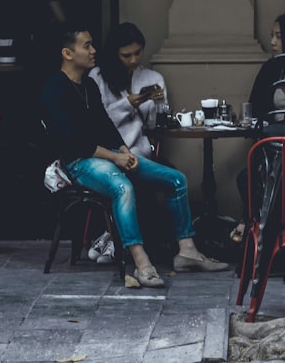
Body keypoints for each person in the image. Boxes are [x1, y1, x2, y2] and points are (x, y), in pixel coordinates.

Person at [41, 26, 228, 287]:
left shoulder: (89, 85)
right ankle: (142, 264)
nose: (93, 50)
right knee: (123, 187)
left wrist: (124, 150)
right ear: (67, 54)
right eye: (87, 46)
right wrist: (115, 157)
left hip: (107, 155)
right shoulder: (54, 90)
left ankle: (187, 252)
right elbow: (74, 142)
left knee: (175, 179)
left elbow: (104, 124)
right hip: (78, 163)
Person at [86, 22, 168, 263]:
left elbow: (155, 127)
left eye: (138, 53)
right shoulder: (97, 77)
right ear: (114, 53)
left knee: (170, 177)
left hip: (139, 151)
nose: (133, 59)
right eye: (126, 55)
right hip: (107, 153)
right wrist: (128, 103)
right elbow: (98, 122)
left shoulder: (152, 77)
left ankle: (130, 241)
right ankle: (115, 238)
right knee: (124, 181)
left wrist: (158, 104)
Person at [232, 12, 285, 243]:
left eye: (279, 36)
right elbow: (255, 107)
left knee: (283, 184)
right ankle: (261, 236)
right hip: (270, 147)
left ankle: (270, 237)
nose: (273, 42)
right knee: (246, 177)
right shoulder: (271, 69)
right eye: (272, 36)